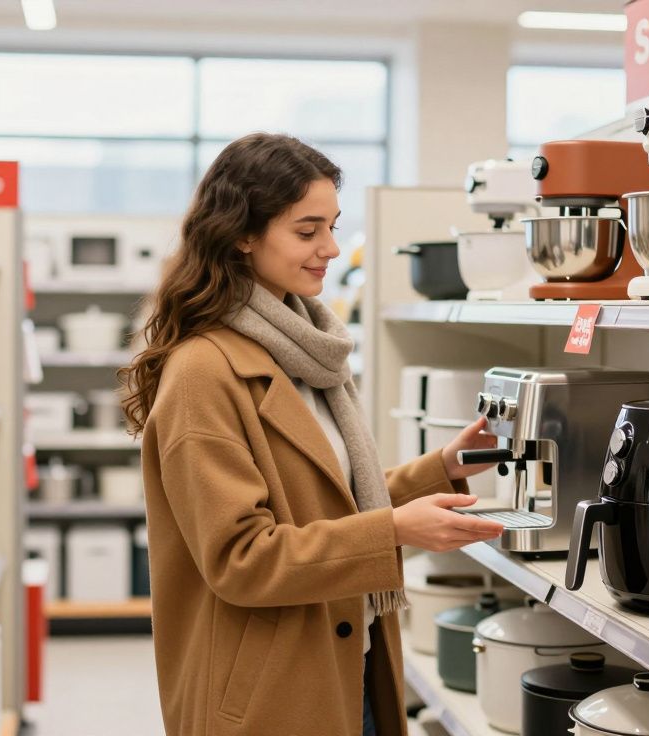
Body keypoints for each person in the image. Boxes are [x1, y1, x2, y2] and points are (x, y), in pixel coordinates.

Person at [120, 133, 505, 736]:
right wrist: (396, 530)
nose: (329, 248)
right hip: (273, 694)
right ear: (243, 235)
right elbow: (241, 558)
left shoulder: (306, 351)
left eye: (332, 226)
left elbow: (323, 498)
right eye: (307, 231)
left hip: (353, 663)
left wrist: (441, 470)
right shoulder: (203, 372)